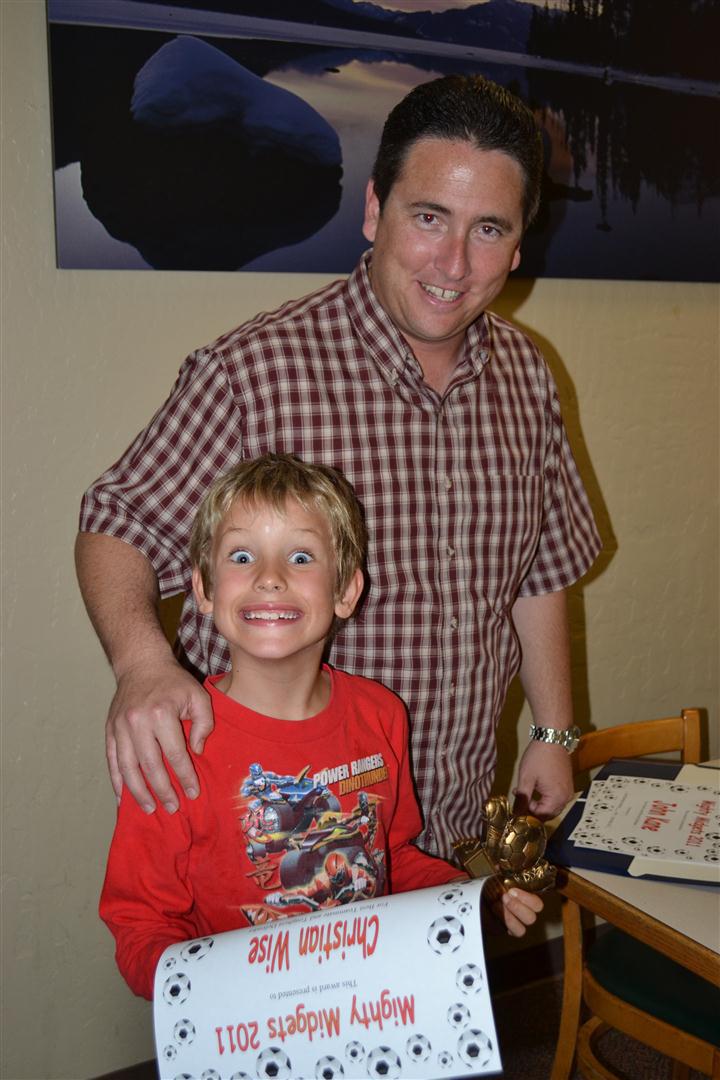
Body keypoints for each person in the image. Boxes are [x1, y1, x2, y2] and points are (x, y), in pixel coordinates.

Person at [77, 74, 601, 861]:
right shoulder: (253, 374)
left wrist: (553, 732)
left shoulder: (528, 376)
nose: (454, 263)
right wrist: (143, 666)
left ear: (520, 242)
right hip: (276, 853)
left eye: (489, 229)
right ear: (374, 211)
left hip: (450, 833)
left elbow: (541, 569)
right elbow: (116, 523)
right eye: (429, 217)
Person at [99, 454, 542, 999]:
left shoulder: (380, 714)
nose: (269, 577)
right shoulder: (174, 743)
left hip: (369, 1002)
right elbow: (141, 924)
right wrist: (206, 996)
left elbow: (393, 859)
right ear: (205, 590)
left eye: (301, 557)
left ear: (346, 592)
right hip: (246, 1023)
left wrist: (467, 898)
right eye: (242, 556)